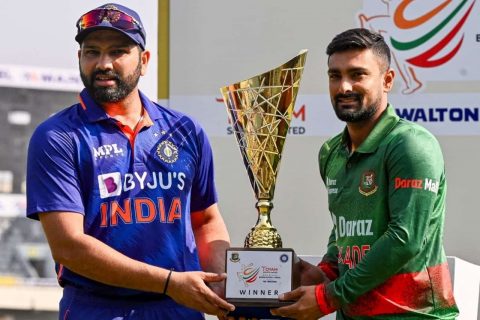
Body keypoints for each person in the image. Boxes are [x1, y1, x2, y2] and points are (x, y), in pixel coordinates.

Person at [26, 3, 235, 319]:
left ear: (144, 60)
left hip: (179, 309)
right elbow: (69, 246)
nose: (103, 63)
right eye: (92, 52)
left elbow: (205, 220)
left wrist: (221, 285)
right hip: (96, 309)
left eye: (118, 51)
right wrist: (168, 283)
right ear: (80, 58)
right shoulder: (57, 136)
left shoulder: (185, 131)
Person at [271, 28, 459, 319]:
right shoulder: (331, 152)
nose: (344, 86)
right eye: (335, 76)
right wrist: (326, 273)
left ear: (387, 81)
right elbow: (345, 230)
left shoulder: (410, 144)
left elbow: (405, 239)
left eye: (357, 74)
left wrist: (328, 297)